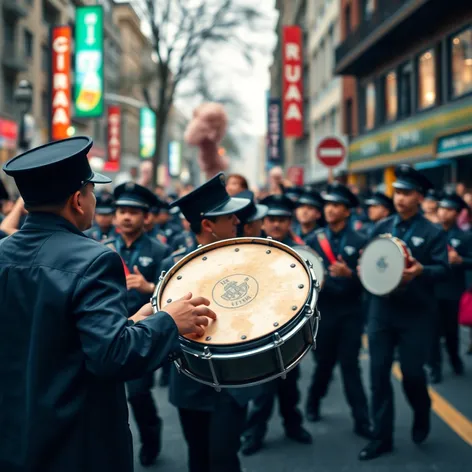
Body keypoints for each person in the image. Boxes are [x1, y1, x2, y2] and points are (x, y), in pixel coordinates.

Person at [0, 136, 216, 472]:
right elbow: (112, 357)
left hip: (14, 436)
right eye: (91, 191)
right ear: (77, 200)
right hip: (75, 442)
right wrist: (169, 321)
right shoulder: (94, 258)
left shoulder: (4, 253)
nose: (94, 199)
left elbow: (58, 335)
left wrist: (133, 323)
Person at [161, 172, 254, 472]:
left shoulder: (248, 261)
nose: (237, 222)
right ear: (208, 226)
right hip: (191, 379)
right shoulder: (173, 267)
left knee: (224, 460)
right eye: (230, 217)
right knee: (198, 459)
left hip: (233, 380)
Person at [359, 164, 449, 461]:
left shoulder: (433, 231)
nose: (399, 198)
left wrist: (422, 271)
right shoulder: (380, 227)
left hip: (417, 314)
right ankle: (380, 437)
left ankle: (421, 410)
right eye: (396, 192)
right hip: (381, 311)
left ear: (420, 197)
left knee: (412, 374)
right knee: (378, 375)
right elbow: (371, 262)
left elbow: (443, 270)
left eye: (406, 192)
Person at [103, 181, 172, 466]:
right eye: (121, 211)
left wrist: (149, 286)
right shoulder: (102, 248)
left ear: (146, 217)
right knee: (106, 398)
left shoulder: (160, 252)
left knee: (139, 394)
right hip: (108, 330)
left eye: (134, 211)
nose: (126, 216)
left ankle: (151, 437)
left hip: (142, 332)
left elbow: (171, 295)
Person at [241, 194, 312, 456]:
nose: (276, 225)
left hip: (291, 328)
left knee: (290, 384)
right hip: (260, 328)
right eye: (271, 219)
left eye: (282, 220)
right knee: (262, 389)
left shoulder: (302, 250)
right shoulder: (251, 247)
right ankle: (253, 433)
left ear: (290, 222)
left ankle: (293, 425)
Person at [304, 183, 371, 438]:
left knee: (350, 367)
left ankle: (362, 420)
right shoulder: (313, 240)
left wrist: (350, 274)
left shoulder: (361, 241)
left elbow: (369, 280)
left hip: (351, 313)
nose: (330, 210)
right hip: (324, 313)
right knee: (324, 365)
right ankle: (312, 402)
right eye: (328, 205)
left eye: (336, 206)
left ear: (347, 211)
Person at [430, 192, 471, 382]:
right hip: (433, 289)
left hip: (453, 291)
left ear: (456, 213)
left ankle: (455, 360)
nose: (443, 213)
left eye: (448, 210)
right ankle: (435, 367)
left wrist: (460, 260)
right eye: (442, 209)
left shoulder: (464, 237)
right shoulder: (432, 233)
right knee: (432, 331)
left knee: (451, 331)